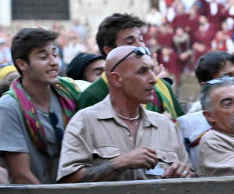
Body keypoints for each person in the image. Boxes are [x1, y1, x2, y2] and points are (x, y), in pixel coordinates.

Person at [58, 46, 191, 182]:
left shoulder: (165, 126)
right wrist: (120, 163)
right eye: (143, 71)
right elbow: (68, 181)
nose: (153, 79)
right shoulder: (85, 122)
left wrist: (183, 174)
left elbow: (191, 178)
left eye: (152, 69)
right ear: (116, 79)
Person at [0, 28, 82, 184]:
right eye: (44, 57)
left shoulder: (70, 95)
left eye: (55, 54)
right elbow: (22, 175)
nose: (53, 62)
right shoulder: (8, 107)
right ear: (22, 64)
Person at [74, 13, 183, 119]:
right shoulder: (93, 95)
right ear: (110, 51)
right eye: (130, 42)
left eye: (141, 39)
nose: (141, 46)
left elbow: (184, 129)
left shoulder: (162, 87)